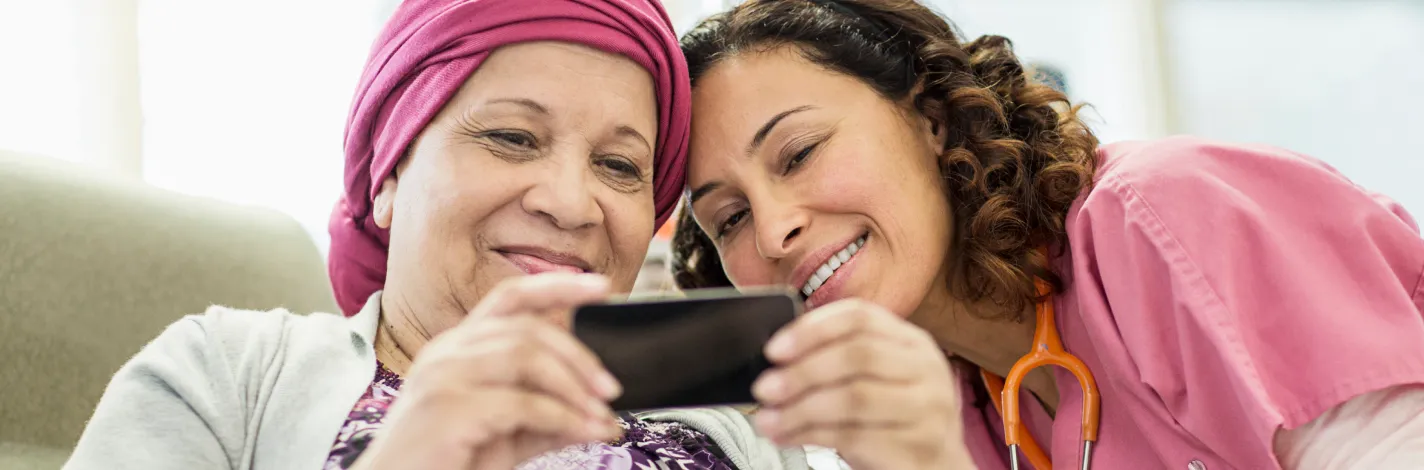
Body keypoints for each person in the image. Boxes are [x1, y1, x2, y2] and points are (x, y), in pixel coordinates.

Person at [671, 0, 1424, 469]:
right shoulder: (945, 411)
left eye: (799, 154)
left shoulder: (1164, 215)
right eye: (729, 218)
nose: (774, 229)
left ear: (930, 119)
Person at [63, 1, 806, 469]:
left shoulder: (733, 434)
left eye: (618, 165)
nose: (570, 203)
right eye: (513, 137)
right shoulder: (228, 371)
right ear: (388, 176)